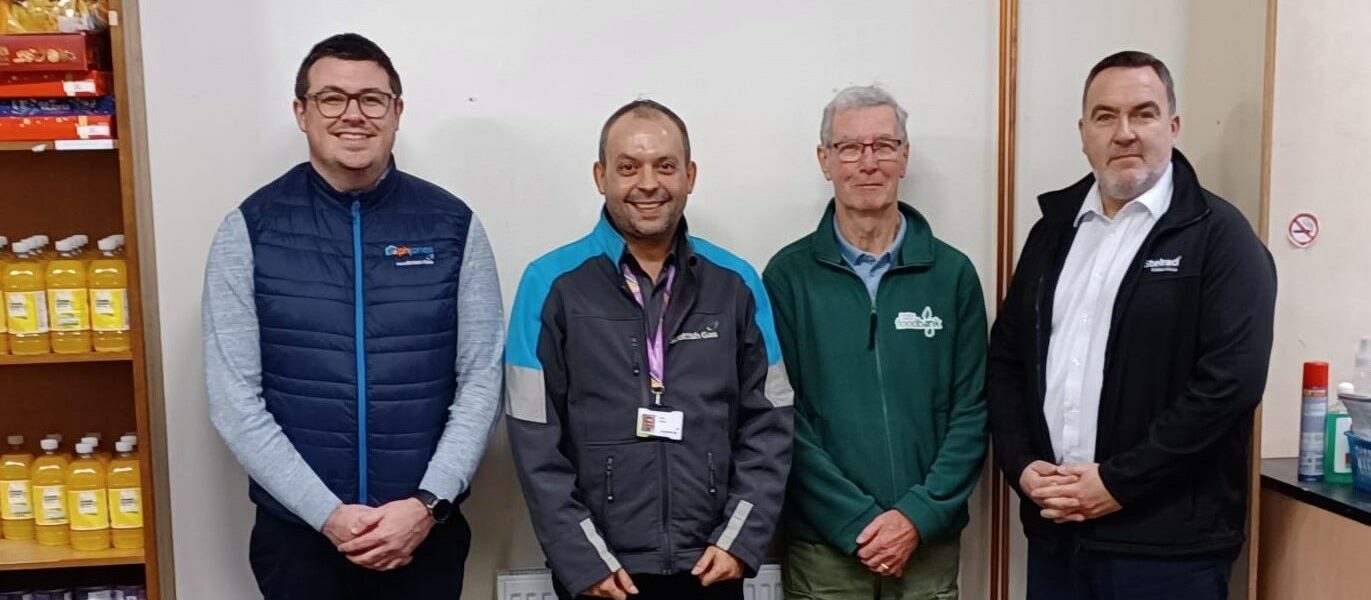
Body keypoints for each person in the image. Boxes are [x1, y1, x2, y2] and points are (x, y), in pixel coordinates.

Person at [202, 32, 504, 598]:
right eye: (332, 98)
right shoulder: (249, 230)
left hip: (424, 536)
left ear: (397, 112)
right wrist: (328, 516)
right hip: (299, 542)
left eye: (372, 99)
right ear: (302, 112)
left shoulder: (453, 226)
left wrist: (426, 504)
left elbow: (483, 380)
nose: (353, 115)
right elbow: (234, 401)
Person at [986, 50, 1276, 600]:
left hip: (1169, 554)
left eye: (1143, 114)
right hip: (1056, 539)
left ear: (1173, 126)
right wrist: (1023, 467)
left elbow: (1229, 387)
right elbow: (1007, 361)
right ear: (1083, 132)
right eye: (1105, 116)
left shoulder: (1221, 238)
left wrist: (1119, 483)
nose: (1124, 133)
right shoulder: (1052, 233)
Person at [505, 99, 793, 600]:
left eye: (665, 166)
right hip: (602, 574)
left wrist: (738, 541)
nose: (647, 183)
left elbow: (771, 419)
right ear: (601, 176)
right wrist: (581, 558)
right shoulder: (549, 283)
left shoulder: (737, 283)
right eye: (627, 167)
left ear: (690, 175)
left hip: (710, 563)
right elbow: (532, 434)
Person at [764, 85, 988, 599]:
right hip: (825, 551)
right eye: (849, 148)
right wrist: (856, 523)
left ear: (904, 157)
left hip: (926, 545)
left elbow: (972, 413)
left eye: (884, 145)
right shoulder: (786, 278)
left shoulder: (952, 275)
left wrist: (916, 516)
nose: (868, 162)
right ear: (825, 161)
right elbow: (778, 419)